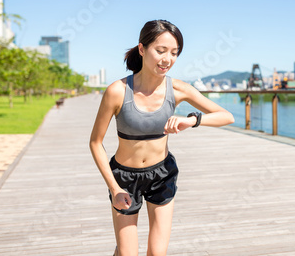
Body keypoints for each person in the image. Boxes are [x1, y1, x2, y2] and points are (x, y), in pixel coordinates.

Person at [89, 20, 235, 256]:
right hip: (124, 179)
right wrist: (114, 188)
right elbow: (95, 142)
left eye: (174, 53)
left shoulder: (178, 89)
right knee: (128, 254)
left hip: (162, 174)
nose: (167, 59)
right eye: (161, 50)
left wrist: (191, 120)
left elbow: (226, 116)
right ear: (142, 49)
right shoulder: (117, 91)